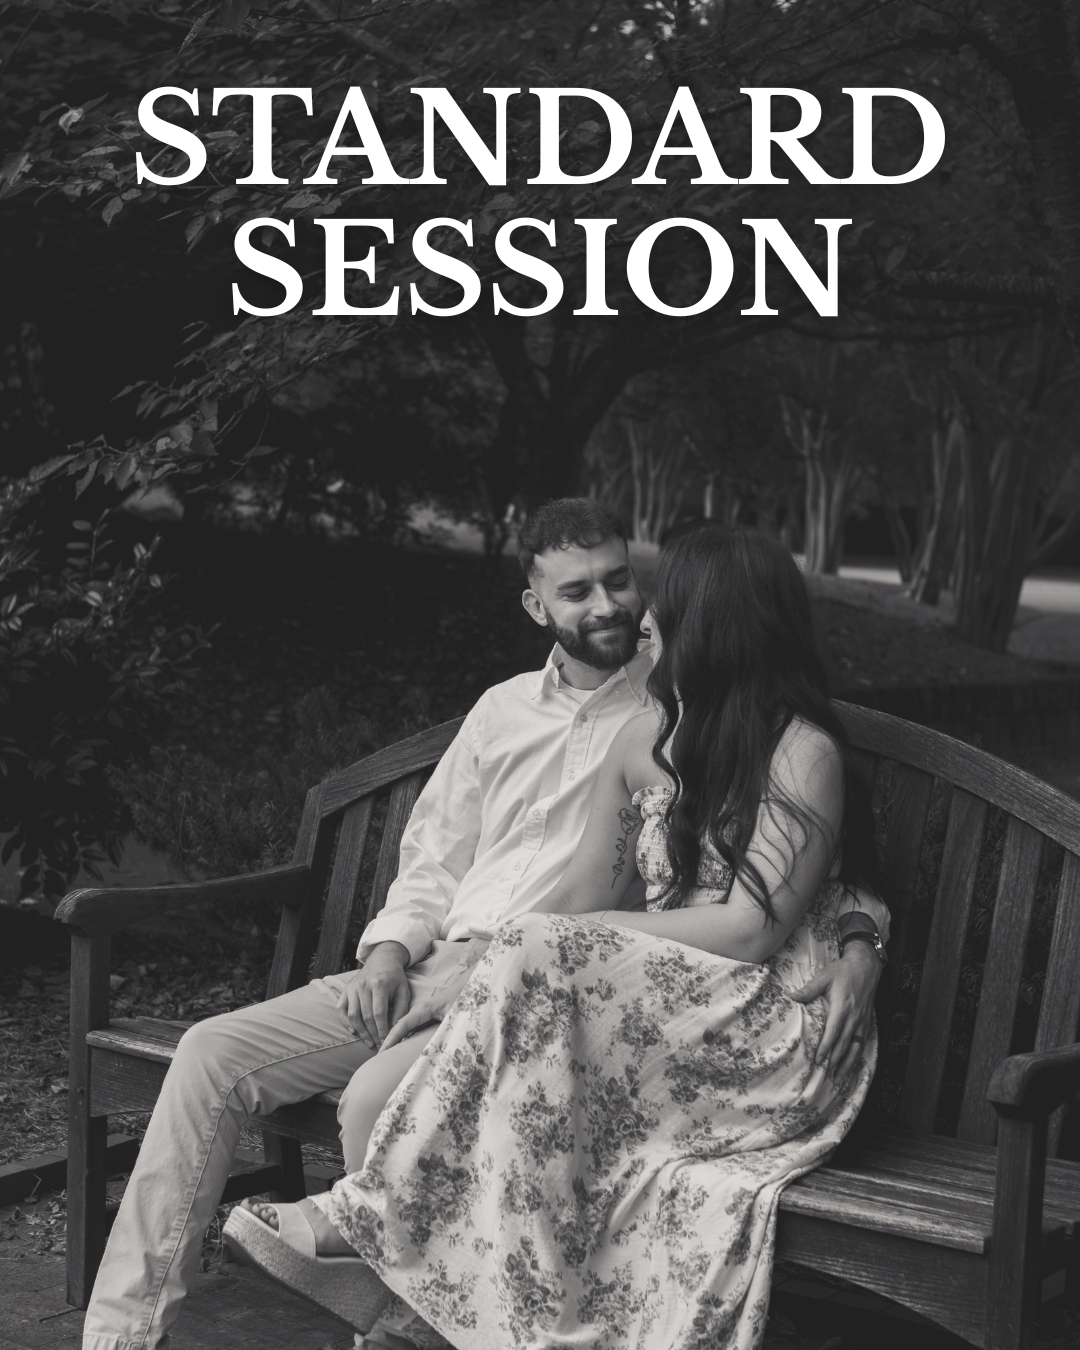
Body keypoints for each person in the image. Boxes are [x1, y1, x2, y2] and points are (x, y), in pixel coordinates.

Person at [83, 502, 886, 1350]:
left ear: (703, 620)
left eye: (631, 586)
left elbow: (786, 897)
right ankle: (122, 1333)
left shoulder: (714, 729)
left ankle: (396, 1300)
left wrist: (862, 935)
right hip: (469, 962)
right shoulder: (530, 715)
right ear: (537, 604)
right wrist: (395, 950)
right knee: (212, 1048)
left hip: (589, 988)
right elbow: (450, 860)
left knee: (375, 1094)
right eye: (581, 590)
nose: (623, 610)